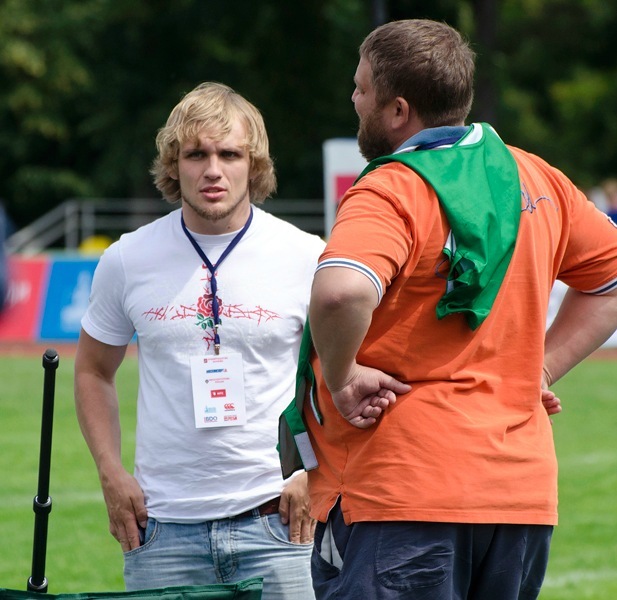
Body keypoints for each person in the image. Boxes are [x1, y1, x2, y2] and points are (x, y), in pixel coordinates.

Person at [298, 19, 617, 600]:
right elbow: (610, 281)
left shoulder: (391, 188)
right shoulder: (536, 176)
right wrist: (540, 370)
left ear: (398, 111)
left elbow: (341, 292)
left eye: (361, 88)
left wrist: (341, 379)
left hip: (402, 490)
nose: (354, 100)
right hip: (518, 496)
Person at [74, 82, 324, 599]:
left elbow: (338, 377)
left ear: (253, 164)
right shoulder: (127, 259)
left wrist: (316, 474)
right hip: (161, 529)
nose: (213, 170)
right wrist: (110, 473)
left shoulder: (305, 255)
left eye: (229, 154)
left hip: (279, 524)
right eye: (196, 154)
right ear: (174, 164)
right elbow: (92, 371)